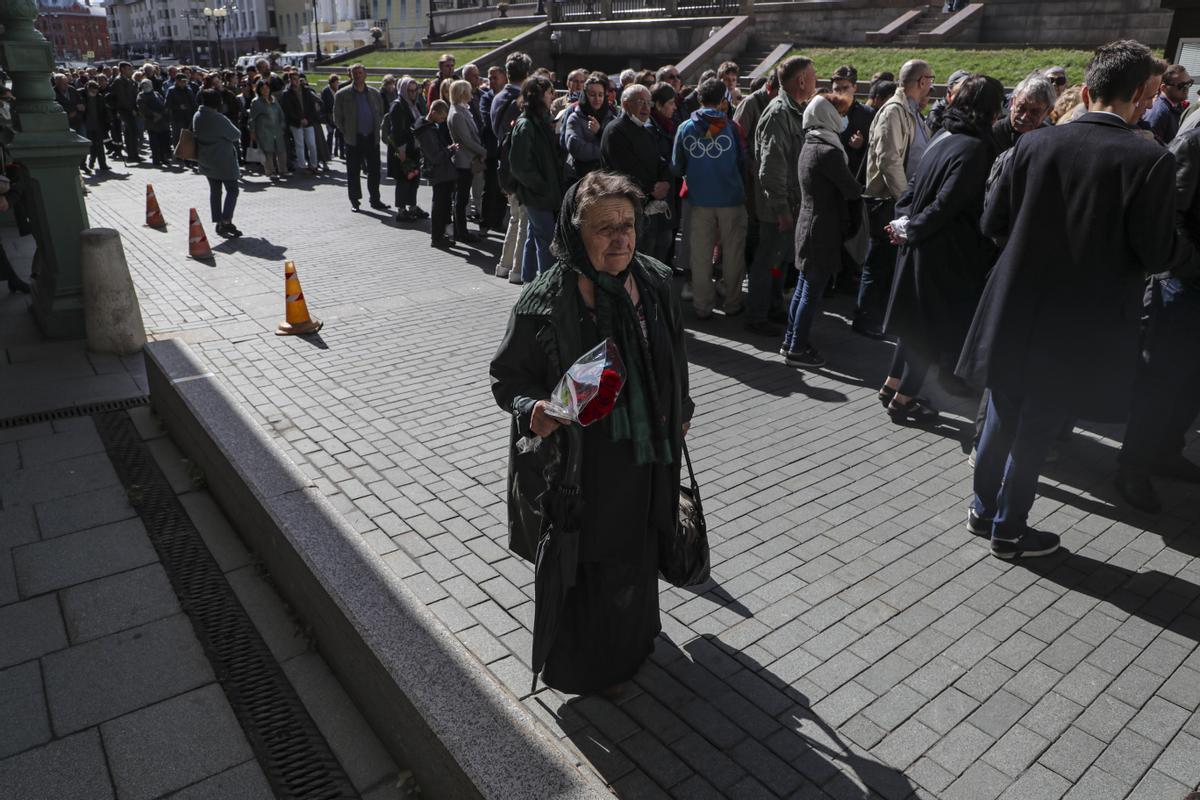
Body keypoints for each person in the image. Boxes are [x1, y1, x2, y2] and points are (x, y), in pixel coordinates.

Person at [957, 40, 1175, 559]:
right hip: (1078, 319)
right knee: (1038, 425)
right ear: (1143, 97)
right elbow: (1156, 252)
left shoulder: (1033, 144)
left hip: (1016, 302)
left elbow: (993, 224)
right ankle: (1008, 530)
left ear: (1083, 90)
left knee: (1004, 413)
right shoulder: (1149, 159)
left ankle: (983, 509)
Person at [489, 170, 693, 697]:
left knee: (639, 548)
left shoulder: (653, 281)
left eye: (628, 223)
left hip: (648, 453)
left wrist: (683, 406)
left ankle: (636, 640)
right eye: (605, 228)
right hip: (583, 467)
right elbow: (506, 377)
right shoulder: (544, 300)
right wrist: (530, 406)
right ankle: (585, 667)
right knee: (588, 562)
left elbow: (674, 355)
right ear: (576, 232)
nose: (622, 237)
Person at [879, 74, 1003, 422]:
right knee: (929, 330)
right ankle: (904, 399)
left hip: (920, 246)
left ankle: (892, 383)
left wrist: (902, 223)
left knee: (914, 325)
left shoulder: (944, 136)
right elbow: (947, 204)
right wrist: (911, 228)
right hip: (945, 253)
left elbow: (913, 188)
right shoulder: (976, 148)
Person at [1115, 122, 1200, 512]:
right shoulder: (1195, 139)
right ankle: (1133, 467)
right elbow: (1170, 214)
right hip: (1184, 286)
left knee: (1191, 382)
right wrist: (1192, 263)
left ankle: (1166, 451)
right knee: (1162, 379)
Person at [781, 91, 862, 367]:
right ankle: (797, 349)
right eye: (838, 112)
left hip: (809, 225)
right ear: (826, 114)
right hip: (822, 229)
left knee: (804, 287)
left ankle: (790, 340)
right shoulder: (828, 151)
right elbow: (850, 189)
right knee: (810, 293)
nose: (842, 118)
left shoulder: (811, 143)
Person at [856, 59, 934, 339]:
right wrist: (905, 203)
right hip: (889, 200)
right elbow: (889, 161)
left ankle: (879, 317)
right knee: (879, 261)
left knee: (888, 263)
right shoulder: (894, 111)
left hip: (899, 200)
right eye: (931, 80)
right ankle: (866, 318)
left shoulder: (911, 111)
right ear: (922, 81)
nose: (931, 86)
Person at [748, 56, 818, 337]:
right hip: (778, 209)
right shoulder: (779, 113)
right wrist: (782, 210)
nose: (816, 81)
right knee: (768, 262)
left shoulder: (794, 110)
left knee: (779, 261)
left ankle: (773, 306)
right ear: (801, 80)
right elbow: (771, 168)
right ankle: (756, 314)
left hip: (790, 204)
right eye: (813, 76)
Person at [672, 77, 747, 320]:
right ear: (723, 99)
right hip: (731, 199)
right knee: (733, 253)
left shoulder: (685, 127)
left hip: (699, 199)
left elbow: (676, 165)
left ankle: (703, 306)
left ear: (699, 97)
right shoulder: (731, 127)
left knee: (701, 254)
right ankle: (732, 304)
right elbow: (743, 161)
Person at [601, 84, 673, 263]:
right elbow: (623, 169)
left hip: (653, 205)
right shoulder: (615, 130)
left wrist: (665, 181)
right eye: (641, 102)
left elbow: (659, 160)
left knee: (660, 248)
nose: (646, 108)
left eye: (649, 103)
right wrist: (651, 188)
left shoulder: (645, 130)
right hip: (629, 205)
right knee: (637, 257)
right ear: (625, 105)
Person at [509, 76, 565, 283]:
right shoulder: (526, 124)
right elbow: (520, 166)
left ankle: (528, 281)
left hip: (543, 192)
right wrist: (541, 186)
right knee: (547, 241)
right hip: (537, 194)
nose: (553, 96)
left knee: (534, 237)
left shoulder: (541, 121)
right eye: (550, 92)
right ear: (539, 95)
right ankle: (546, 287)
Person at [334, 64, 388, 212]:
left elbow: (381, 113)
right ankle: (355, 201)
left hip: (371, 138)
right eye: (354, 73)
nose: (357, 75)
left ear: (365, 75)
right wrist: (346, 132)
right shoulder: (342, 94)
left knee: (374, 171)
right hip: (353, 139)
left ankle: (375, 199)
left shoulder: (374, 93)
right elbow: (337, 117)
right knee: (353, 171)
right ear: (350, 75)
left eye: (360, 73)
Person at [193, 89, 243, 238]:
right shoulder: (218, 118)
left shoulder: (197, 116)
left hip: (206, 160)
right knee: (232, 190)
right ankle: (226, 221)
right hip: (223, 160)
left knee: (215, 191)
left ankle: (218, 221)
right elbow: (236, 135)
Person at [412, 100, 460, 249]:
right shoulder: (427, 131)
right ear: (433, 112)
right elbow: (435, 156)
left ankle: (440, 235)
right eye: (441, 117)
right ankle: (437, 237)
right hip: (439, 172)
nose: (443, 120)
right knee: (439, 205)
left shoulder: (428, 127)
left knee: (442, 204)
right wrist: (450, 150)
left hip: (440, 172)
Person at [448, 79, 486, 243]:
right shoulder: (457, 113)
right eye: (469, 91)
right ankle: (461, 231)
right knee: (461, 199)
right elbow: (466, 140)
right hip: (464, 161)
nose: (472, 94)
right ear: (463, 93)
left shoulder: (462, 110)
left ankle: (460, 230)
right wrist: (482, 151)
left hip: (468, 158)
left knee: (462, 198)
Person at [387, 77, 427, 222]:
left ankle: (412, 206)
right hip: (402, 149)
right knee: (403, 179)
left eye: (415, 90)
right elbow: (397, 131)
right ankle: (401, 210)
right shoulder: (398, 105)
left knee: (414, 178)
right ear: (403, 90)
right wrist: (402, 151)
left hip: (414, 147)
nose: (413, 93)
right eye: (409, 90)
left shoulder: (415, 104)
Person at [564, 76, 613, 182]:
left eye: (600, 95)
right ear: (585, 95)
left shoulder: (611, 116)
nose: (597, 99)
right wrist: (605, 151)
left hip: (605, 177)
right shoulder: (575, 118)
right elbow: (576, 147)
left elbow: (617, 145)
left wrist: (600, 132)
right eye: (592, 95)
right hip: (579, 177)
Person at [993, 72, 1055, 153]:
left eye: (1034, 112)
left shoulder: (1049, 140)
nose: (1024, 117)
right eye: (1021, 108)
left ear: (1048, 111)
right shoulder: (993, 135)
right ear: (1013, 101)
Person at [480, 65, 508, 234]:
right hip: (492, 149)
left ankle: (497, 221)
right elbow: (488, 121)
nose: (491, 81)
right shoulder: (486, 98)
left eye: (494, 77)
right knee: (489, 188)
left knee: (502, 189)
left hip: (505, 149)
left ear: (504, 78)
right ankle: (485, 223)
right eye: (489, 78)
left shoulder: (510, 96)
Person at [280, 71, 321, 174]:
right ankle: (303, 167)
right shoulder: (286, 94)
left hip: (308, 121)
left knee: (312, 144)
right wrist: (299, 119)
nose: (296, 81)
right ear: (290, 80)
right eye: (293, 79)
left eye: (297, 78)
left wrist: (308, 118)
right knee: (300, 145)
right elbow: (288, 110)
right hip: (295, 123)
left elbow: (312, 107)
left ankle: (314, 165)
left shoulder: (306, 91)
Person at [1143, 64, 1192, 144]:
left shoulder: (1177, 107)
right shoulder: (1159, 112)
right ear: (1163, 88)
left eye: (1189, 83)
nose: (1186, 88)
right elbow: (1149, 146)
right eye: (1181, 85)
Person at [249, 79, 288, 178]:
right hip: (264, 130)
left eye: (267, 88)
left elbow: (281, 113)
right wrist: (252, 131)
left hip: (277, 129)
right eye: (262, 89)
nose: (265, 90)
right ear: (259, 90)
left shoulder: (274, 99)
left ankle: (283, 170)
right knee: (268, 151)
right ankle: (271, 172)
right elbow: (252, 118)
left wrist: (283, 124)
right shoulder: (256, 102)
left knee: (281, 150)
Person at [110, 61, 140, 162]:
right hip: (125, 111)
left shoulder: (129, 80)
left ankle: (134, 154)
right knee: (129, 133)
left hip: (131, 110)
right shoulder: (118, 81)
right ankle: (132, 155)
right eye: (129, 69)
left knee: (133, 132)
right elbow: (122, 99)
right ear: (122, 69)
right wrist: (131, 110)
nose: (131, 71)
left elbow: (134, 96)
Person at [137, 79, 171, 167]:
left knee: (163, 141)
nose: (146, 86)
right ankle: (156, 159)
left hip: (162, 121)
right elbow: (142, 108)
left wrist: (164, 112)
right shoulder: (141, 95)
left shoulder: (156, 93)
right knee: (154, 142)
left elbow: (163, 103)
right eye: (144, 85)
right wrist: (153, 114)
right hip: (152, 122)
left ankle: (163, 158)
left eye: (148, 84)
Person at [82, 80, 111, 173]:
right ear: (88, 89)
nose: (94, 91)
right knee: (92, 146)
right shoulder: (83, 97)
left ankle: (103, 164)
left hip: (98, 125)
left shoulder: (99, 98)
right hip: (86, 125)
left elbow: (104, 110)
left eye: (96, 89)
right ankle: (90, 162)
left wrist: (108, 120)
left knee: (100, 145)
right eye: (92, 89)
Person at [164, 74, 197, 154]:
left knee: (188, 136)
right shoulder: (171, 90)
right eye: (182, 81)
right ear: (177, 81)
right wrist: (178, 107)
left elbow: (193, 103)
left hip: (188, 116)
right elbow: (167, 104)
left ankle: (187, 153)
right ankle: (178, 153)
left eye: (185, 81)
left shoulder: (188, 90)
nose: (184, 83)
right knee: (177, 136)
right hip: (177, 118)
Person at [321, 75, 344, 158]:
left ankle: (341, 153)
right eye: (336, 82)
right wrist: (326, 117)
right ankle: (328, 153)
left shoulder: (339, 90)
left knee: (340, 135)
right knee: (330, 134)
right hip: (329, 116)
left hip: (338, 116)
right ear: (332, 82)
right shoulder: (326, 91)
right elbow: (323, 105)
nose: (338, 84)